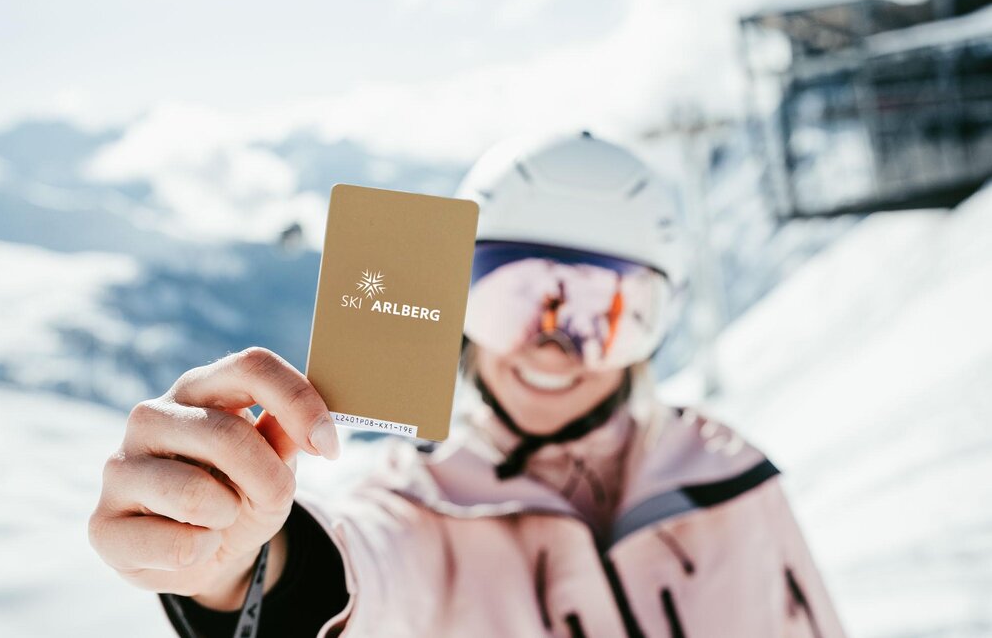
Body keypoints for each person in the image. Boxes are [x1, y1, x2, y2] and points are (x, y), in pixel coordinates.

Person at [88, 132, 847, 637]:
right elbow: (358, 575)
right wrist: (239, 563)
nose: (555, 345)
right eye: (518, 296)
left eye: (606, 312)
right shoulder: (420, 505)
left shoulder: (731, 475)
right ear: (457, 305)